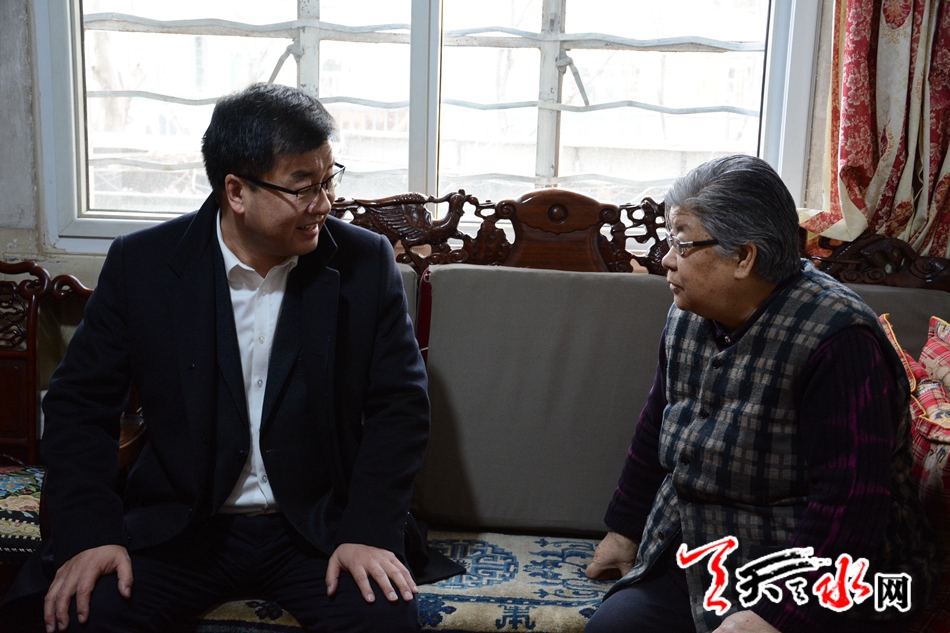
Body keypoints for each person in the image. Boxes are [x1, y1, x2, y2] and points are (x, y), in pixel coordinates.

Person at [6, 83, 443, 632]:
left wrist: (368, 532)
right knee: (82, 613)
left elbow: (400, 407)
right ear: (236, 191)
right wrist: (92, 534)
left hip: (317, 531)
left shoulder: (364, 261)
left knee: (383, 620)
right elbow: (79, 405)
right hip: (181, 530)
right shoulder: (143, 264)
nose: (324, 204)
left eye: (328, 180)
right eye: (303, 188)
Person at [583, 155, 938, 633]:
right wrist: (624, 530)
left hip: (808, 567)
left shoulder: (839, 339)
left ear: (744, 258)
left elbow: (851, 502)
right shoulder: (687, 312)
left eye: (682, 243)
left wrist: (779, 615)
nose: (666, 259)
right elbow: (656, 425)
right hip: (700, 547)